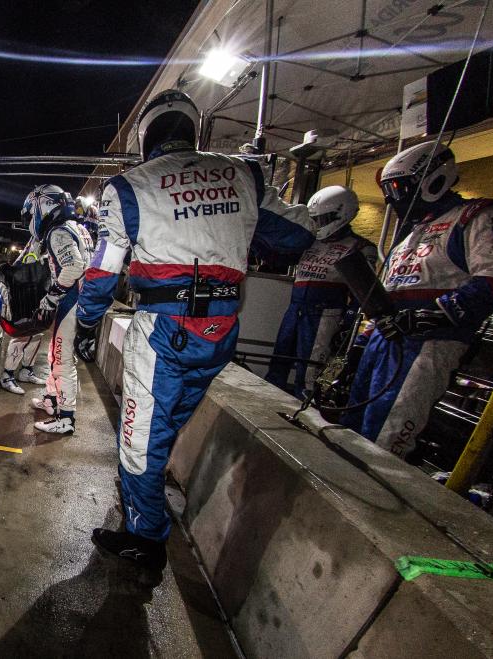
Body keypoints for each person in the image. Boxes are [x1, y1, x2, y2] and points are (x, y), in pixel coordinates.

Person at [73, 89, 315, 571]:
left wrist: (85, 321)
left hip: (163, 329)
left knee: (140, 439)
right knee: (164, 426)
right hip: (221, 329)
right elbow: (297, 234)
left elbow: (102, 272)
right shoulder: (243, 172)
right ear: (192, 129)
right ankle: (144, 505)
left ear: (147, 138)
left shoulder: (127, 187)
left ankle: (145, 542)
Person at [341, 141, 493, 459]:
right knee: (350, 425)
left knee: (386, 440)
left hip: (431, 343)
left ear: (432, 179)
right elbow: (385, 293)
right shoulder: (408, 236)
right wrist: (356, 350)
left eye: (399, 187)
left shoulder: (479, 216)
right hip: (385, 339)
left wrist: (436, 314)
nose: (394, 198)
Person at [266, 186, 377, 397]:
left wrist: (349, 320)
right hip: (295, 309)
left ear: (342, 214)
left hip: (325, 315)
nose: (318, 225)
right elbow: (280, 258)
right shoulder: (309, 242)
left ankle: (306, 406)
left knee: (310, 369)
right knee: (279, 360)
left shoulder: (359, 247)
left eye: (323, 219)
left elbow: (364, 292)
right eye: (315, 219)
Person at [23, 184, 93, 435]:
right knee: (56, 354)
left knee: (62, 360)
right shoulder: (80, 227)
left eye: (32, 213)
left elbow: (74, 266)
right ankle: (52, 402)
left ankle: (66, 417)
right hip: (82, 300)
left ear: (44, 206)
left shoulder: (58, 232)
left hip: (71, 301)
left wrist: (50, 299)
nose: (31, 218)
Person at [0, 245, 48, 395]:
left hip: (33, 310)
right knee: (20, 338)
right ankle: (7, 375)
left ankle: (26, 371)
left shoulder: (32, 270)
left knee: (36, 336)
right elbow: (6, 295)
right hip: (17, 312)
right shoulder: (7, 272)